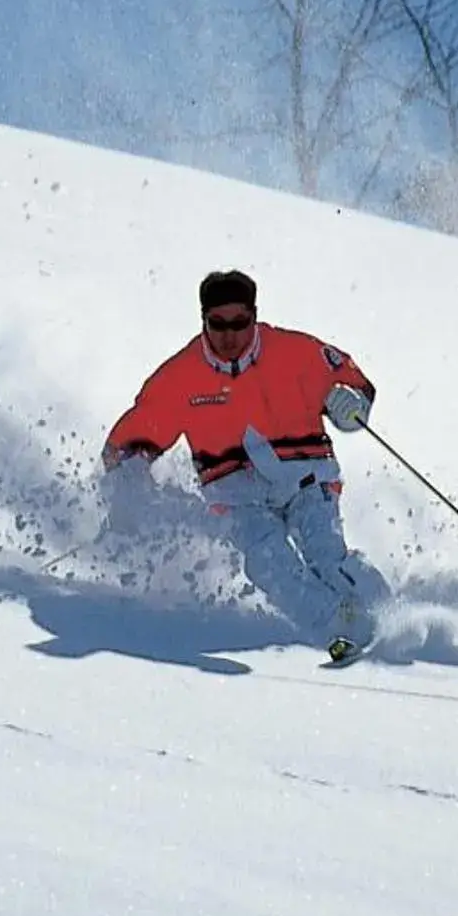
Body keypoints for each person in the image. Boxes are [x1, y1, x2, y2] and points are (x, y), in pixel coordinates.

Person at [103, 269, 391, 659]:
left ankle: (388, 618)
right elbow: (127, 442)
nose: (229, 335)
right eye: (217, 324)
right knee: (270, 562)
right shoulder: (181, 378)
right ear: (203, 320)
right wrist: (129, 481)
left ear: (254, 316)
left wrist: (351, 402)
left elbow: (351, 380)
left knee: (327, 556)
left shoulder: (295, 352)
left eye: (240, 323)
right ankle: (335, 634)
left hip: (307, 477)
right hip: (237, 495)